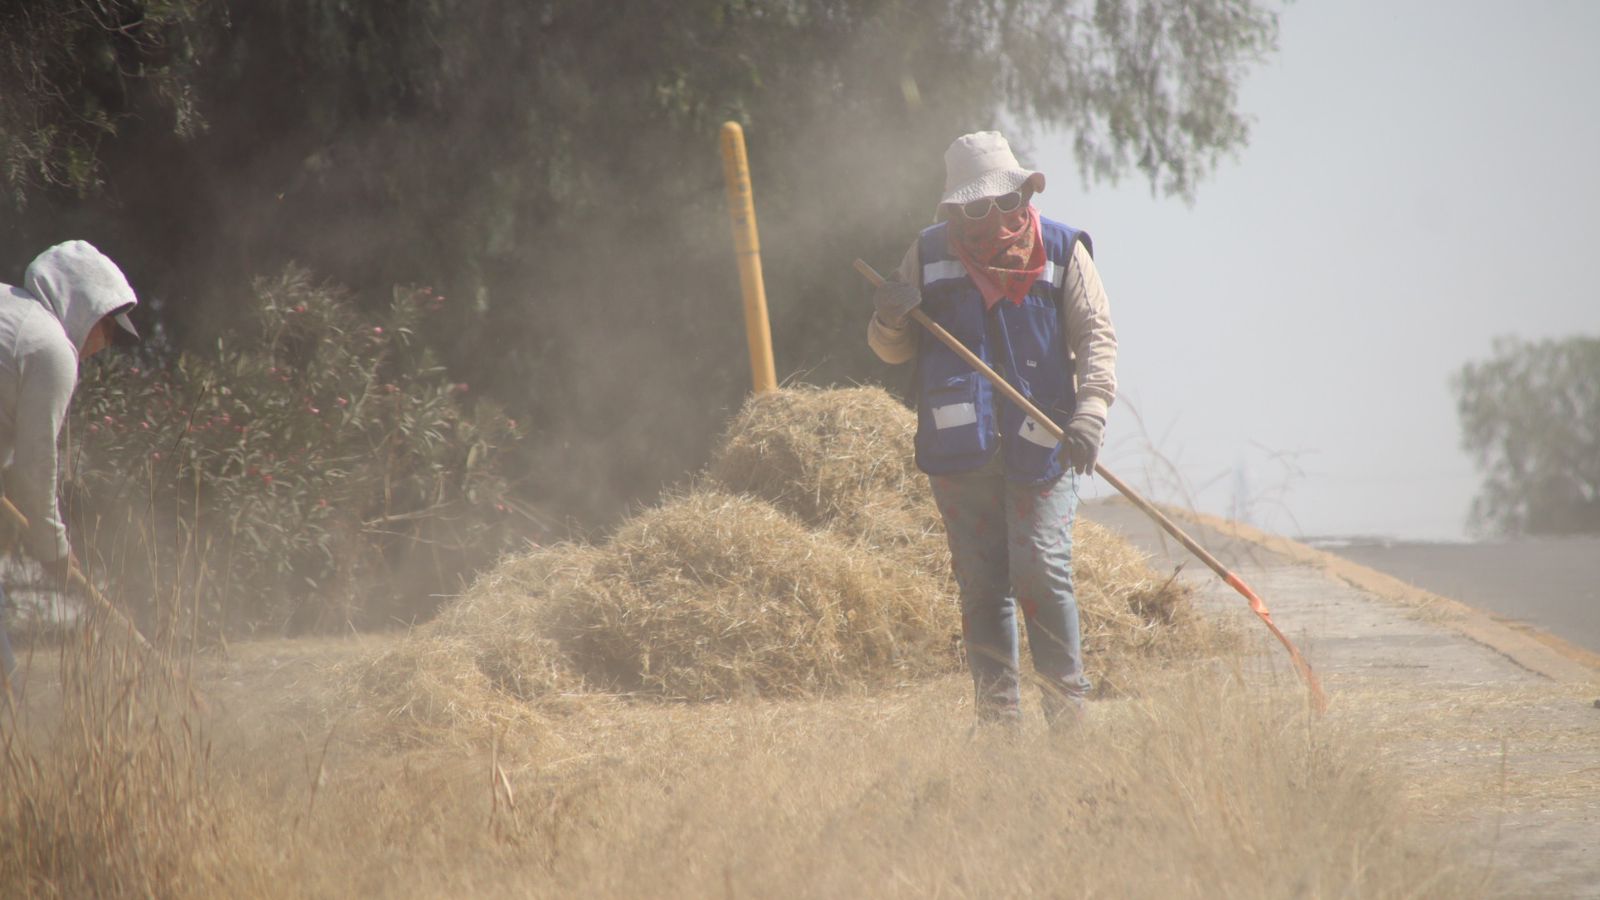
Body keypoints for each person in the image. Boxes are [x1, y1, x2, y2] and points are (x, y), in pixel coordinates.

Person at [867, 132, 1117, 727]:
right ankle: (1000, 725)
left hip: (1045, 442)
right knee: (982, 586)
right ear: (954, 211)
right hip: (961, 450)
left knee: (1040, 569)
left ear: (1026, 190)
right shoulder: (927, 255)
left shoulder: (1062, 251)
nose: (995, 218)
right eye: (976, 208)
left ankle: (1067, 717)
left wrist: (1090, 413)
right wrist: (888, 316)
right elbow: (890, 350)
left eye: (1007, 201)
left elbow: (1096, 337)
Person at [0, 241, 141, 687]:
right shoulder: (50, 349)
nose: (104, 345)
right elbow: (36, 467)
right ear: (87, 312)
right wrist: (55, 549)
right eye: (109, 331)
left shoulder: (10, 309)